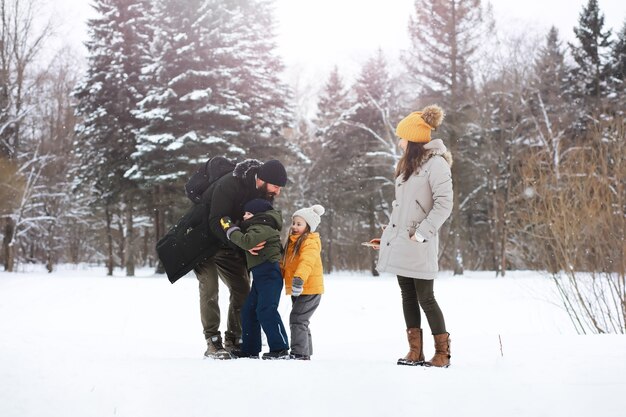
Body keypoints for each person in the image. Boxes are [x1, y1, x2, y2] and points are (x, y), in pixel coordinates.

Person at [373, 105, 453, 368]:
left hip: (420, 242)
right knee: (407, 296)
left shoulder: (437, 164)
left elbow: (444, 204)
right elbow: (404, 209)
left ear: (414, 139)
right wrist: (388, 237)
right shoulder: (406, 166)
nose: (399, 142)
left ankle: (442, 354)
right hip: (402, 240)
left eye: (402, 137)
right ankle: (414, 352)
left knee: (426, 297)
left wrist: (421, 233)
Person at [194, 159, 288, 359]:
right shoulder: (230, 183)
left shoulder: (264, 194)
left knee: (242, 290)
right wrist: (244, 243)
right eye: (276, 187)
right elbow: (215, 221)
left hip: (231, 244)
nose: (277, 192)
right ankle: (212, 341)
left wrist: (255, 244)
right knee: (210, 288)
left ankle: (234, 340)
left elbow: (259, 224)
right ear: (262, 179)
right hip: (202, 242)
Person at [220, 198, 290, 360]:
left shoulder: (264, 227)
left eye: (248, 213)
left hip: (270, 275)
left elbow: (246, 241)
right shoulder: (256, 227)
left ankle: (280, 348)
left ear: (259, 215)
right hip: (259, 277)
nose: (245, 216)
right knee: (249, 311)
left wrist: (229, 228)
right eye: (244, 213)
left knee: (266, 310)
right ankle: (250, 348)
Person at [281, 204, 325, 360]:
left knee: (298, 319)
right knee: (301, 320)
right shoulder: (293, 242)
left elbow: (307, 262)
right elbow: (285, 262)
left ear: (308, 227)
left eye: (299, 224)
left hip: (309, 288)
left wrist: (298, 279)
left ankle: (299, 353)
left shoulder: (310, 242)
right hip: (299, 289)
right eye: (293, 223)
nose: (294, 226)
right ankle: (305, 351)